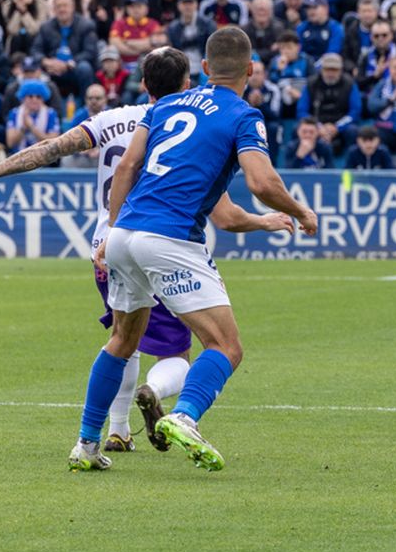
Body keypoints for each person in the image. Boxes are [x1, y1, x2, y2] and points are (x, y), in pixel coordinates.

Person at [77, 39, 318, 473]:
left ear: (205, 66)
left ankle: (87, 444)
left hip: (124, 234)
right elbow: (262, 183)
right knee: (225, 345)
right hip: (170, 238)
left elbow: (128, 169)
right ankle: (185, 416)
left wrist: (111, 231)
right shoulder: (244, 116)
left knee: (122, 340)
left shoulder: (165, 106)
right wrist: (299, 210)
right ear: (252, 71)